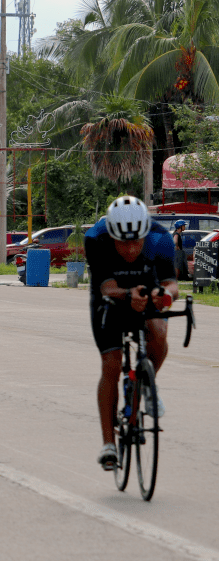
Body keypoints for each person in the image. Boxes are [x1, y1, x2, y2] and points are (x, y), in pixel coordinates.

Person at [86, 196, 177, 471]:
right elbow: (106, 287)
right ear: (111, 236)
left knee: (159, 330)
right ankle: (108, 444)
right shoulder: (96, 239)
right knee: (111, 364)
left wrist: (164, 295)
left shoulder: (161, 238)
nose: (130, 249)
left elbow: (172, 284)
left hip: (147, 291)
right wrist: (128, 294)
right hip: (111, 298)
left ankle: (145, 383)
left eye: (136, 242)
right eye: (122, 243)